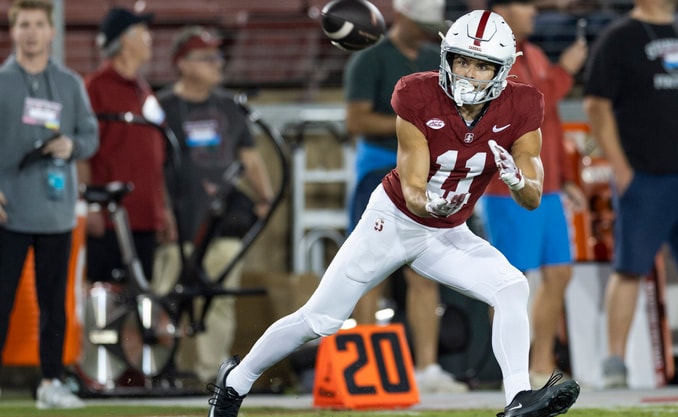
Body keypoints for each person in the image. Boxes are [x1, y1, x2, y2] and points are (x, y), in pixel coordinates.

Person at [206, 10, 580, 417]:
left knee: (511, 287)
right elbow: (412, 181)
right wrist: (430, 203)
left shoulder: (522, 105)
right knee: (320, 320)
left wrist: (518, 181)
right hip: (395, 220)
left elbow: (532, 196)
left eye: (482, 65)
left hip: (447, 230)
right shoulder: (418, 95)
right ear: (446, 57)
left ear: (503, 70)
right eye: (462, 60)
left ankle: (517, 400)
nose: (469, 73)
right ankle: (235, 382)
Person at [582, 0, 678, 387]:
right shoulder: (618, 39)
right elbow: (596, 105)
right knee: (630, 267)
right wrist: (620, 167)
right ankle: (615, 363)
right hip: (647, 174)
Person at [343, 0, 467, 393]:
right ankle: (364, 368)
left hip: (424, 172)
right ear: (403, 15)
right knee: (368, 272)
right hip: (378, 170)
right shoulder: (371, 59)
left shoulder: (436, 57)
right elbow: (357, 120)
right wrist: (414, 124)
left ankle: (427, 367)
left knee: (424, 270)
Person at [153, 26, 275, 384]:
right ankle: (156, 368)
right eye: (206, 58)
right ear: (183, 64)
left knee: (219, 297)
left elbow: (250, 157)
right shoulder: (162, 108)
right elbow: (152, 164)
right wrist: (160, 209)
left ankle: (212, 374)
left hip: (222, 221)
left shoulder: (228, 107)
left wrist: (265, 197)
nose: (216, 64)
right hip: (178, 220)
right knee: (165, 297)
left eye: (218, 57)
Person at [482, 0, 588, 388]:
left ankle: (542, 362)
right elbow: (523, 107)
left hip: (549, 185)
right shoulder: (488, 56)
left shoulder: (535, 53)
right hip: (507, 186)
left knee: (559, 273)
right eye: (526, 5)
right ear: (502, 9)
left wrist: (565, 176)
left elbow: (551, 123)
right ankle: (513, 370)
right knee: (512, 280)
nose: (534, 12)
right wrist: (565, 73)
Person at [0, 0, 98, 409]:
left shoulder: (71, 84)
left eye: (39, 24)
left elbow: (91, 135)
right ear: (13, 30)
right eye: (24, 24)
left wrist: (72, 145)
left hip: (57, 214)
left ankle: (51, 383)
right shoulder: (2, 83)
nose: (32, 32)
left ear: (52, 31)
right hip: (8, 213)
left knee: (54, 305)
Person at [80, 7, 176, 284]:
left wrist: (163, 208)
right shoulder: (94, 88)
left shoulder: (144, 90)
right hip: (111, 217)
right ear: (125, 40)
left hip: (145, 217)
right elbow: (83, 153)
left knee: (141, 302)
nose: (150, 39)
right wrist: (92, 206)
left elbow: (157, 156)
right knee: (107, 302)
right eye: (143, 33)